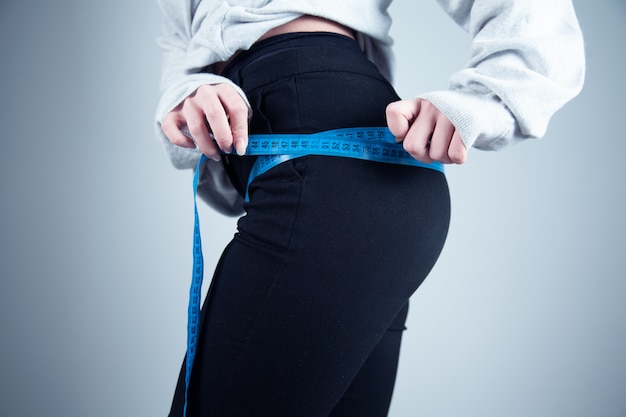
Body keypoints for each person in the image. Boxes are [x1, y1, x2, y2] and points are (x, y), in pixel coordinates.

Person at [155, 1, 585, 416]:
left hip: (330, 175)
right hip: (342, 181)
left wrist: (485, 102)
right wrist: (187, 93)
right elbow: (182, 40)